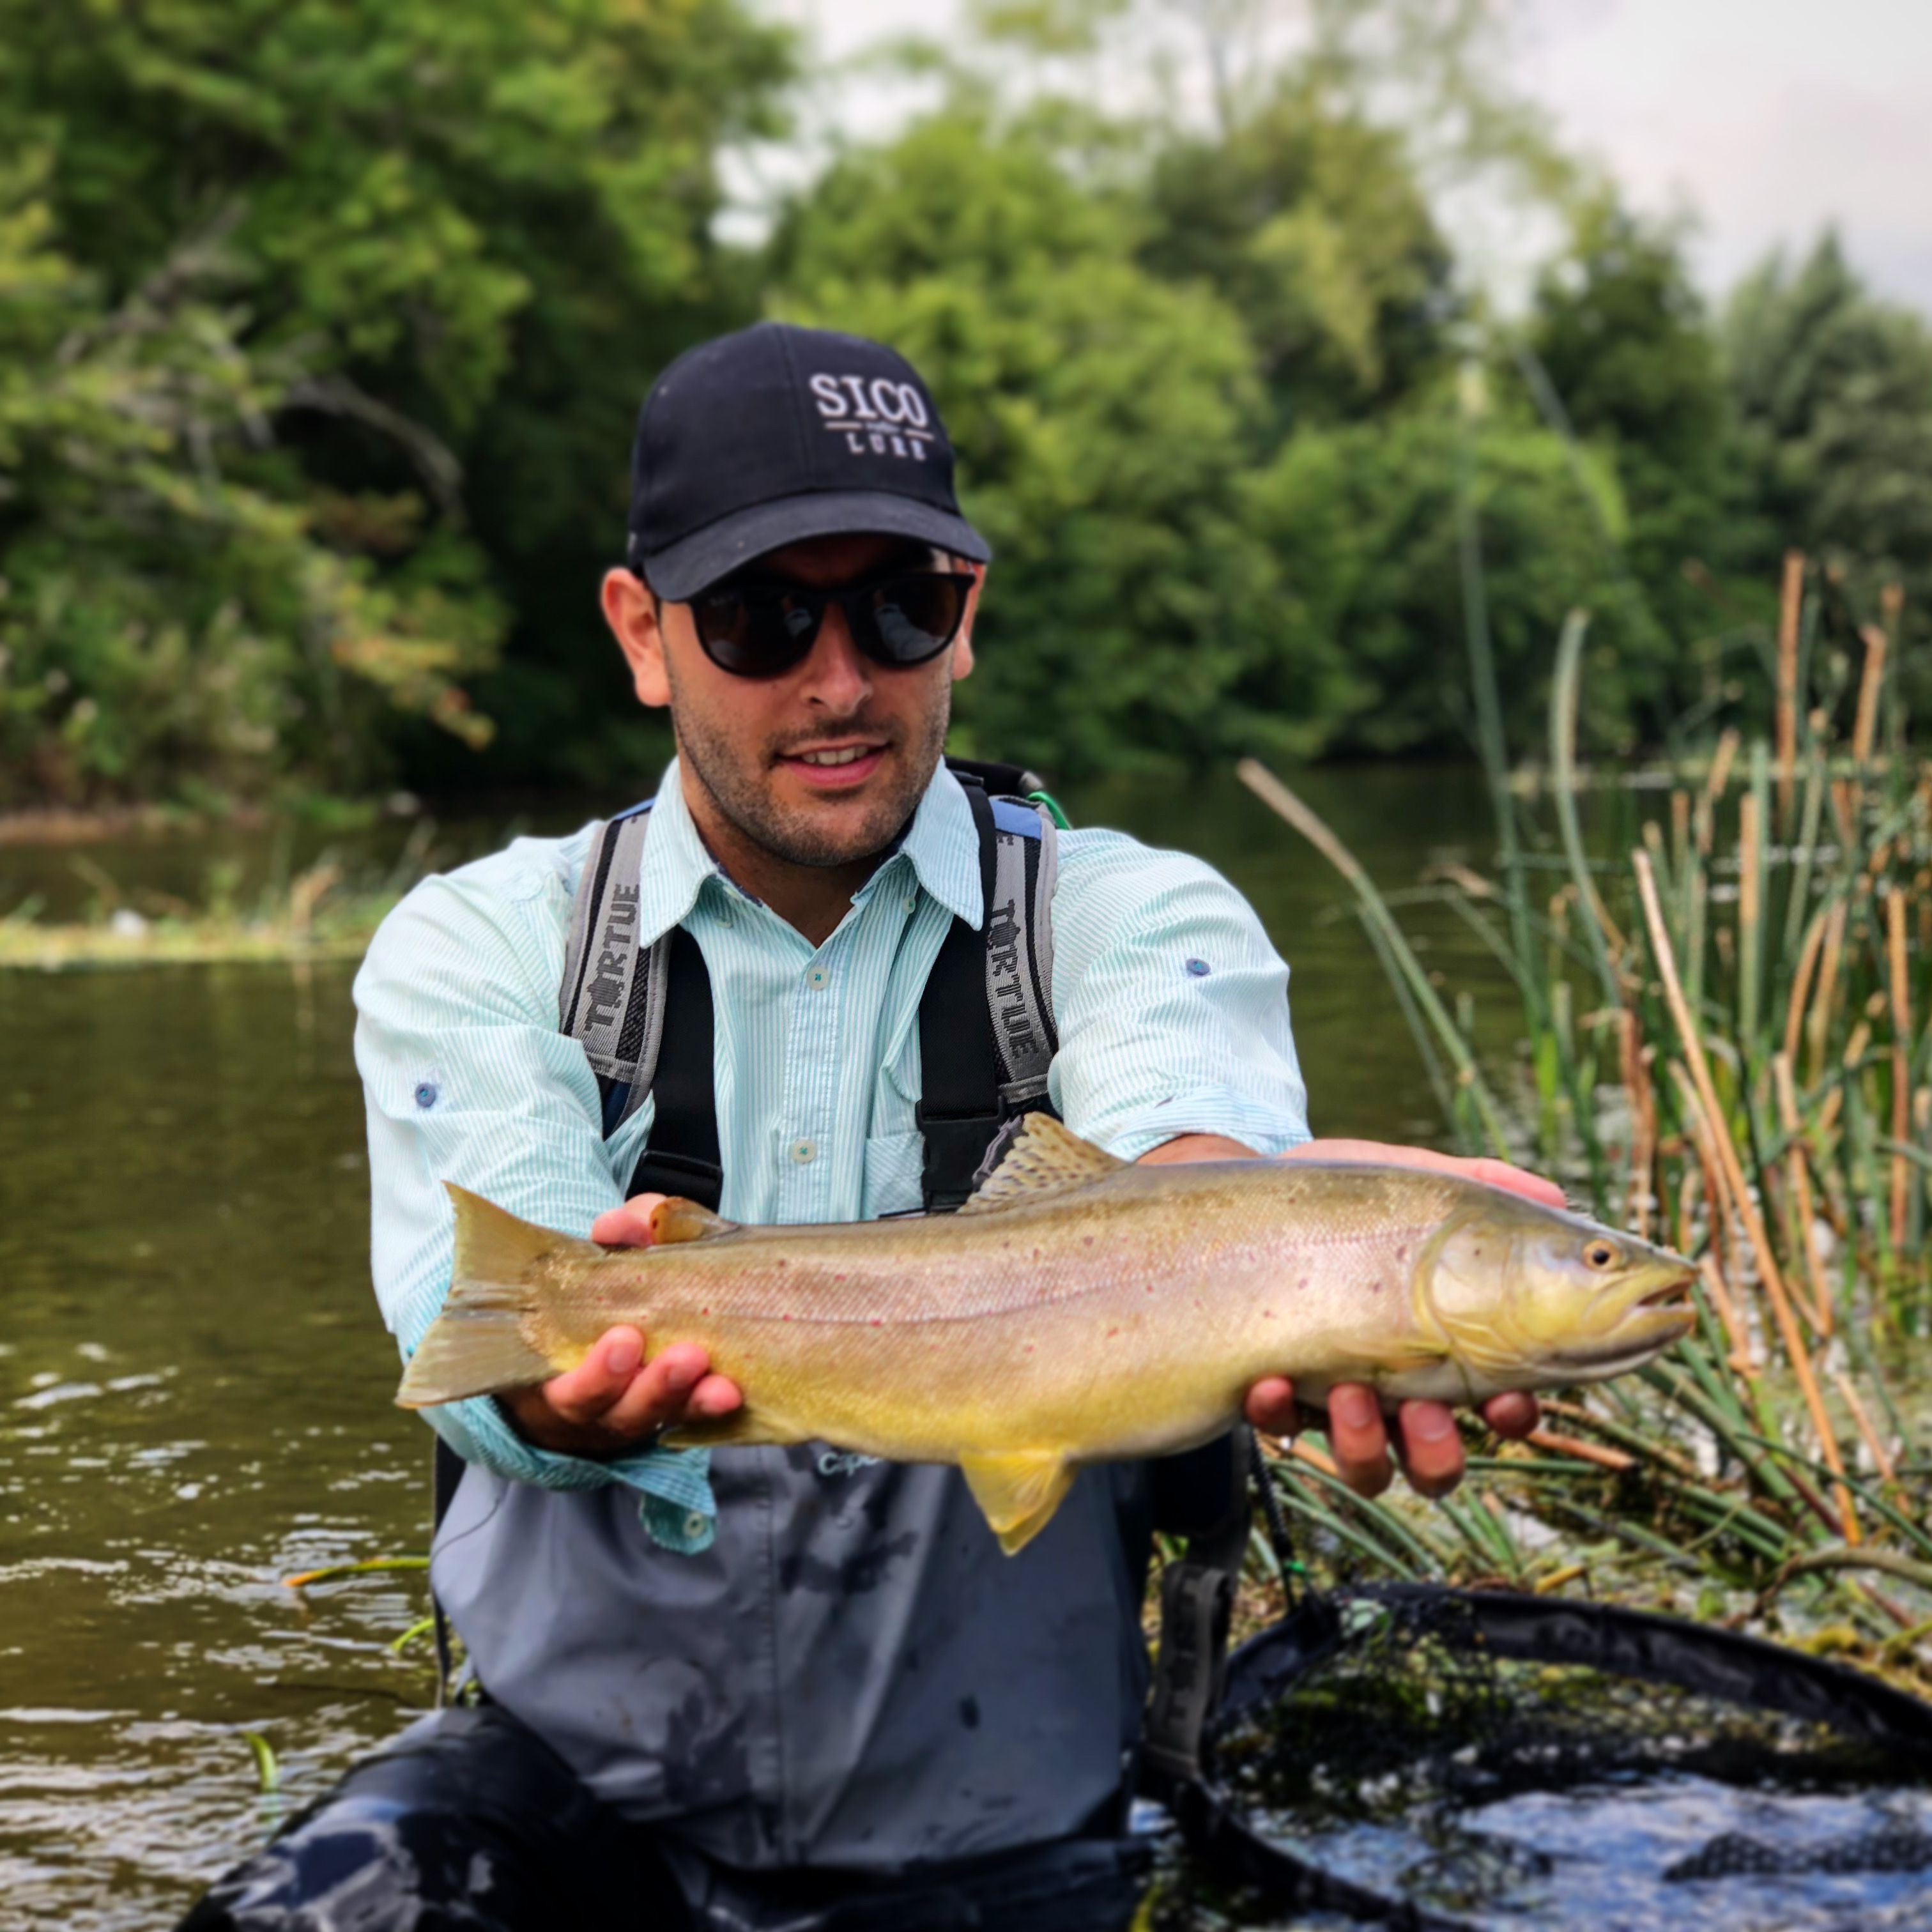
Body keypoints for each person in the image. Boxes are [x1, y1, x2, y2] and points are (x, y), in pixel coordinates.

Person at [179, 321, 1553, 1932]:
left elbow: (1193, 1146)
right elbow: (485, 1328)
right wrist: (573, 1396)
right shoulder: (484, 945)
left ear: (963, 619)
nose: (840, 681)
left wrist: (1313, 1248)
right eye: (763, 617)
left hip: (1004, 1839)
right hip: (572, 1805)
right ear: (642, 634)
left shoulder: (1134, 918)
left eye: (898, 605)